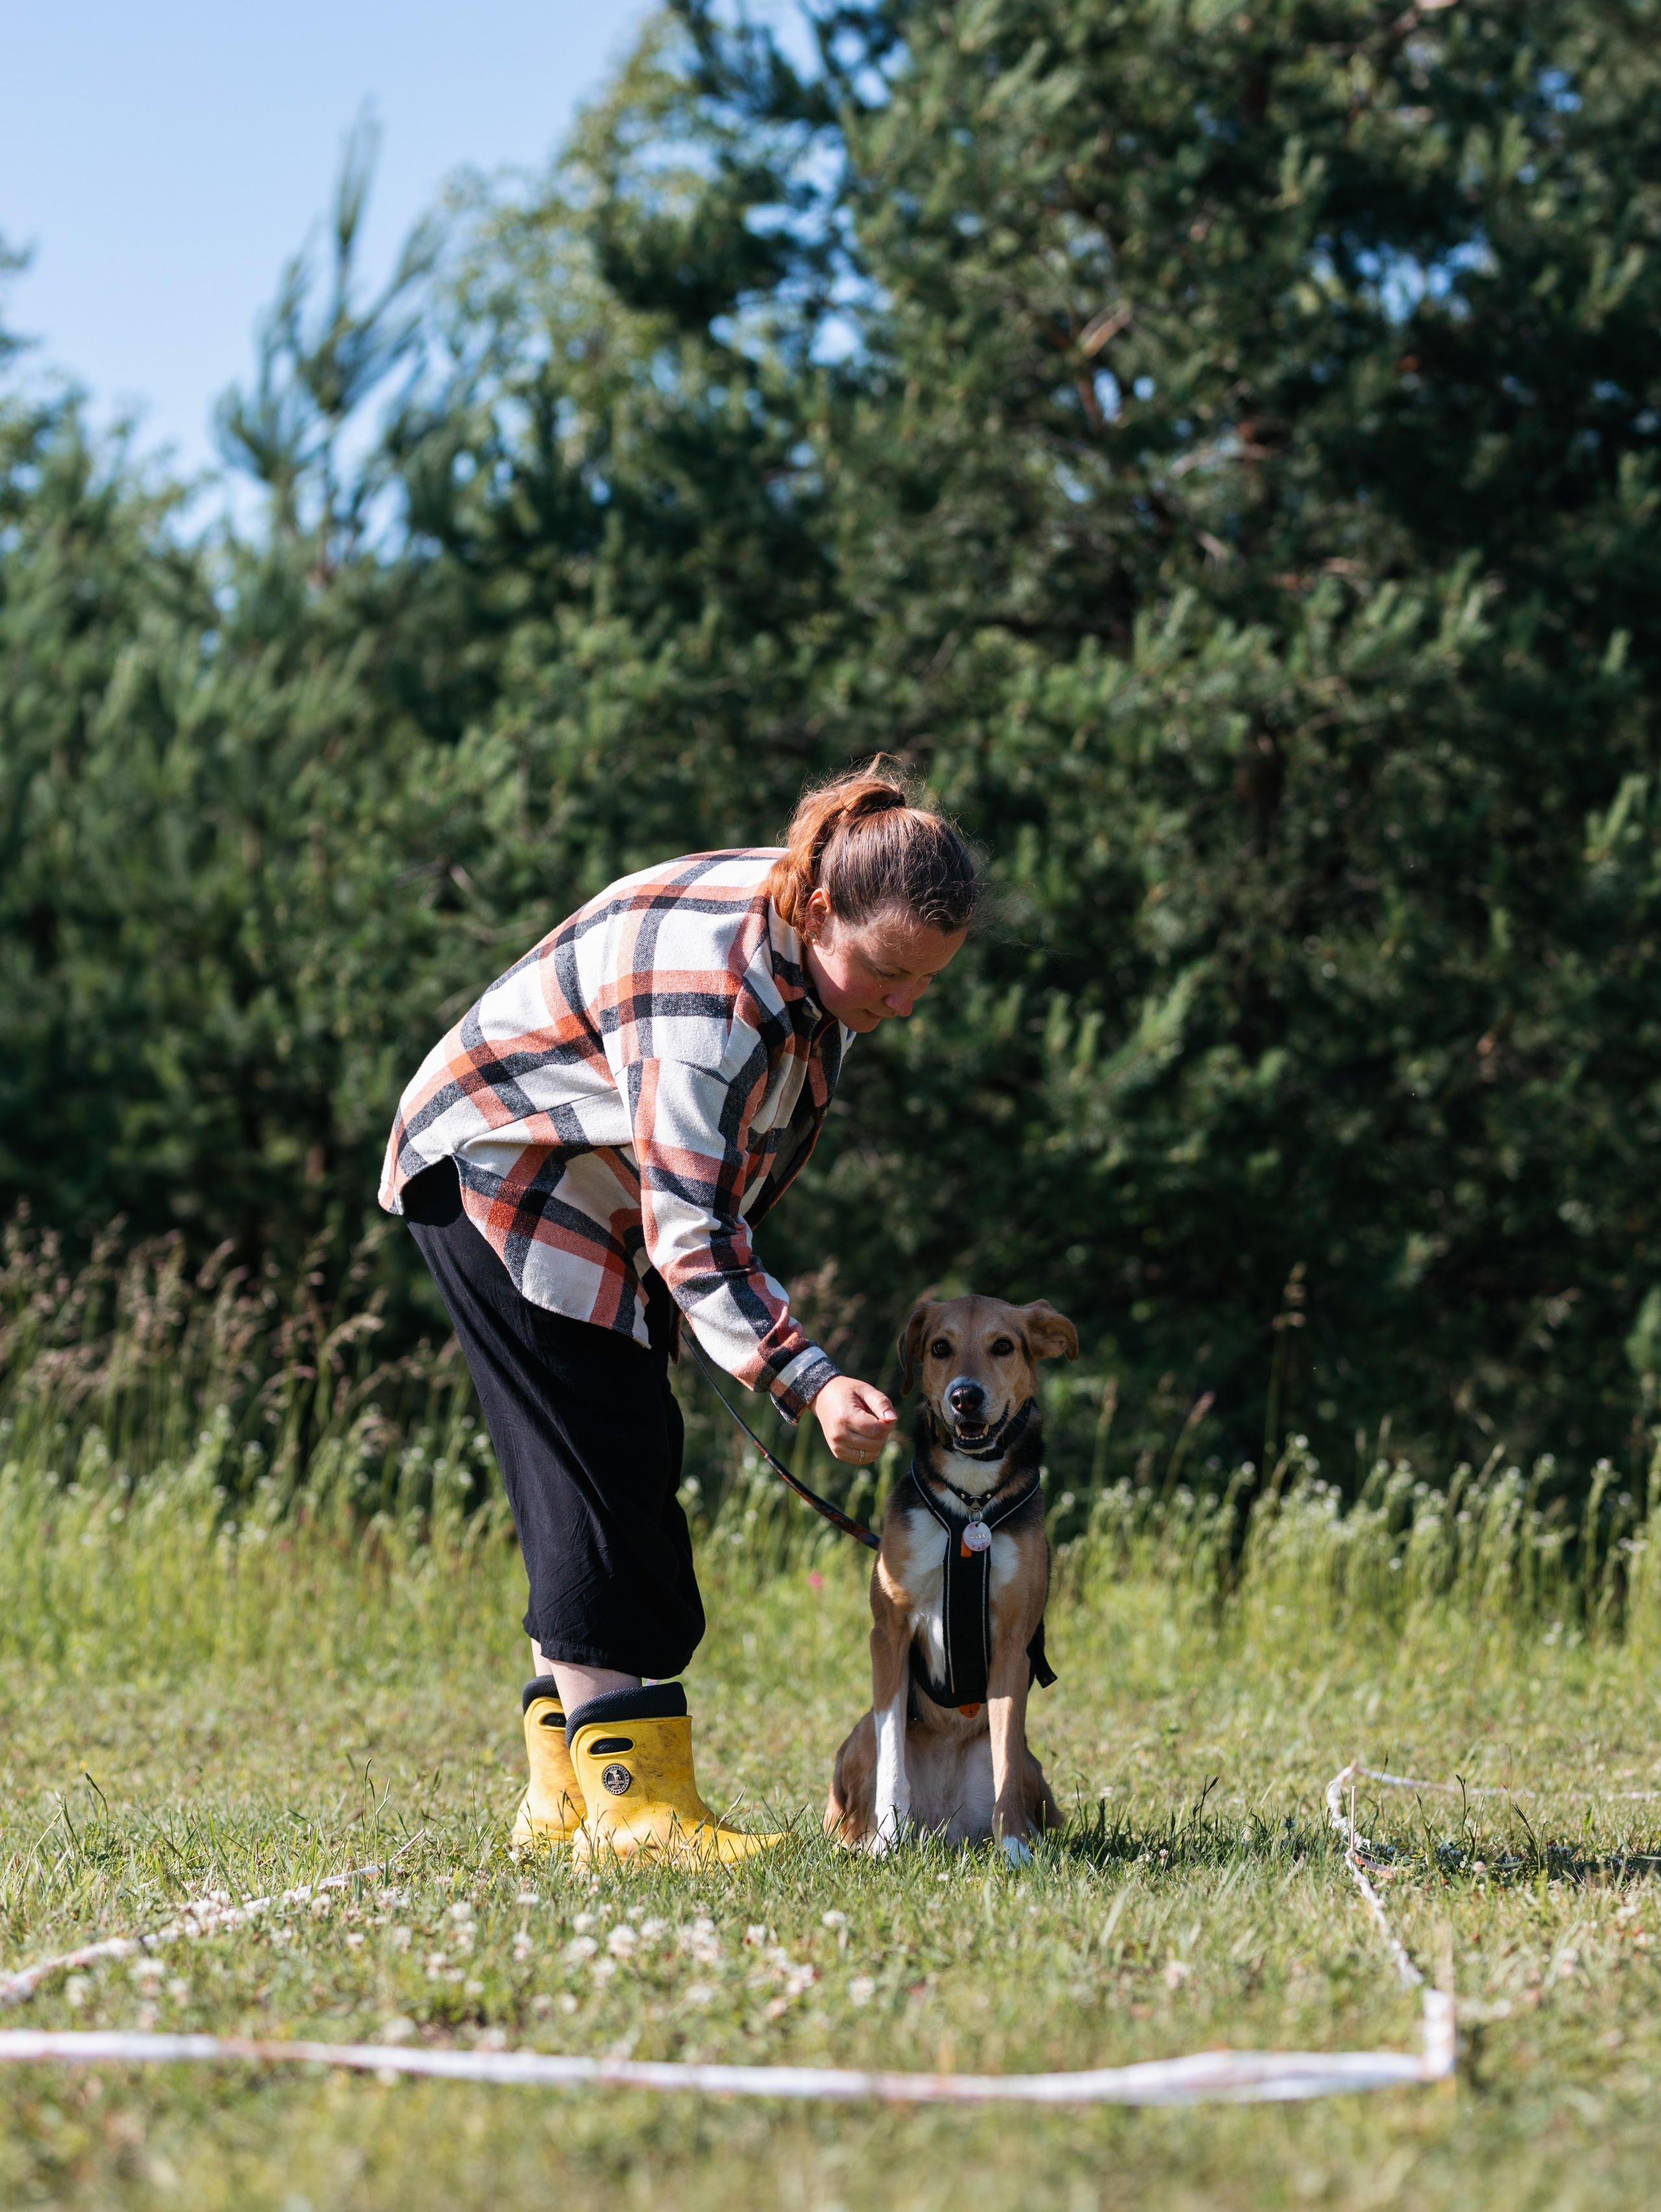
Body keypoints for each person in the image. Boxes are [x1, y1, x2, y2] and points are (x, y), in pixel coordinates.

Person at [378, 763, 978, 1860]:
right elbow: (694, 1228)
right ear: (819, 909)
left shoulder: (814, 950)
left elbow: (709, 1187)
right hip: (503, 1173)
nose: (903, 1004)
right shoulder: (714, 992)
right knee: (598, 1480)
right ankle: (636, 1812)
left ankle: (563, 1800)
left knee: (624, 1461)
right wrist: (808, 1379)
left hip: (597, 1190)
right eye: (890, 973)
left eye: (927, 982)